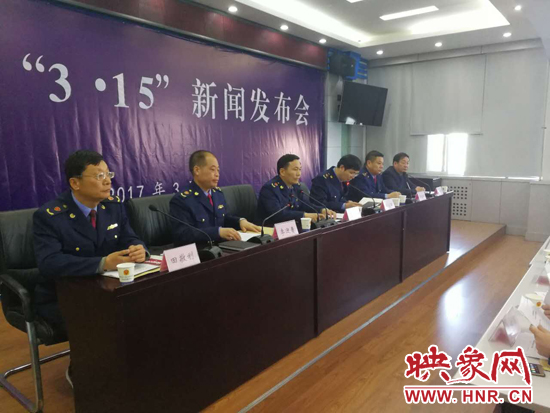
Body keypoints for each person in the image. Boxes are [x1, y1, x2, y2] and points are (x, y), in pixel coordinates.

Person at [33, 150, 147, 387]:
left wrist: (139, 249)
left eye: (108, 174)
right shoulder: (50, 216)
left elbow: (130, 237)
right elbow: (49, 262)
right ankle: (83, 370)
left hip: (107, 287)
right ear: (75, 183)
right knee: (101, 318)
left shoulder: (113, 207)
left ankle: (132, 366)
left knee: (147, 302)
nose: (107, 181)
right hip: (63, 293)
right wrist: (101, 263)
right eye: (98, 176)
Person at [170, 150, 260, 247]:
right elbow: (183, 234)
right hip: (200, 251)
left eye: (218, 170)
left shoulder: (217, 194)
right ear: (197, 170)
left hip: (221, 248)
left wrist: (240, 222)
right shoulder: (182, 200)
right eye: (212, 169)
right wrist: (217, 232)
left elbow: (224, 218)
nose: (217, 174)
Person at [256, 154, 333, 226]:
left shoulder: (295, 186)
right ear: (282, 172)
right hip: (270, 229)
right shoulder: (270, 189)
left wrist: (322, 210)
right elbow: (278, 215)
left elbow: (305, 205)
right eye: (295, 169)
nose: (299, 174)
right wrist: (305, 215)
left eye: (300, 169)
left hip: (292, 227)